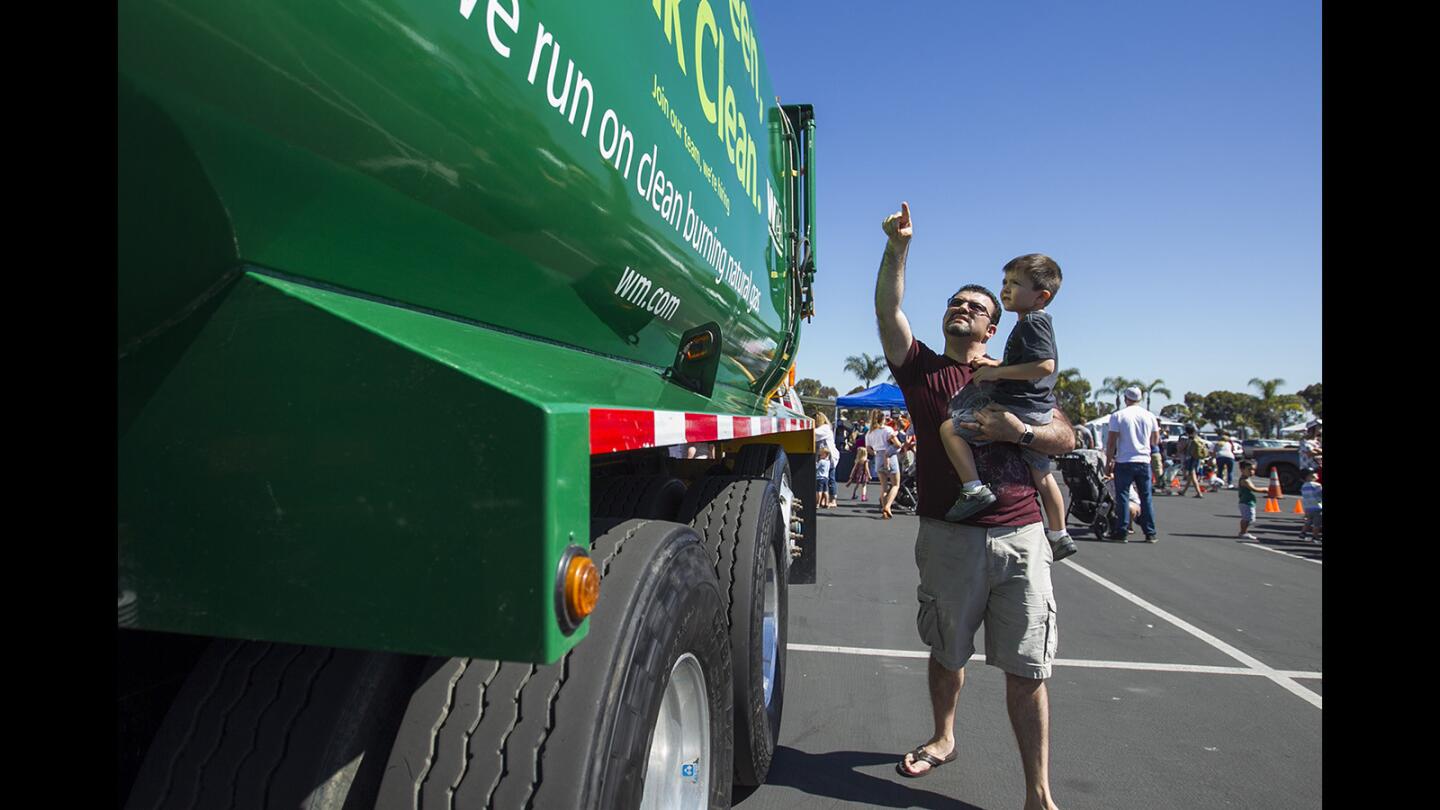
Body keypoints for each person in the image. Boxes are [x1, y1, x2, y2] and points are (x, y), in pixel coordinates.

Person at [877, 201, 1068, 809]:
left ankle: (1037, 793)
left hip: (1021, 537)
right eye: (956, 303)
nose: (963, 309)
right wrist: (898, 248)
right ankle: (943, 737)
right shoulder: (921, 370)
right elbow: (888, 308)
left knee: (1028, 669)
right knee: (946, 651)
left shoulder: (1015, 376)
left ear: (993, 327)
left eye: (978, 306)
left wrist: (1021, 432)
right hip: (948, 535)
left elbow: (1066, 436)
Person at [936, 254, 1076, 564]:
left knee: (950, 429)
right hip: (1037, 410)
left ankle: (973, 488)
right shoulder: (1034, 323)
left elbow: (1043, 365)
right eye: (1005, 282)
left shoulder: (1033, 322)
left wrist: (997, 373)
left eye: (1015, 284)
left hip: (1020, 407)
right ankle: (1059, 534)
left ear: (1042, 296)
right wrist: (997, 363)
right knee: (1043, 475)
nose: (1006, 289)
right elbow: (1028, 363)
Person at [1104, 387, 1160, 542]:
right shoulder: (1149, 416)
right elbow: (1155, 440)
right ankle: (1150, 532)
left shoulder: (1118, 416)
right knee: (1146, 497)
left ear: (1125, 398)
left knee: (1122, 496)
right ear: (1140, 399)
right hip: (1144, 461)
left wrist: (1108, 462)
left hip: (1124, 461)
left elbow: (1111, 443)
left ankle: (1121, 531)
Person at [865, 413, 903, 518]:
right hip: (889, 457)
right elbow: (897, 444)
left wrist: (876, 454)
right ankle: (888, 506)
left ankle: (884, 509)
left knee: (884, 487)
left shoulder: (869, 433)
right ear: (883, 419)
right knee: (895, 485)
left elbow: (868, 449)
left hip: (878, 457)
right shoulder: (887, 430)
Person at [1234, 459, 1268, 540]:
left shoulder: (1247, 478)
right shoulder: (1244, 480)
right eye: (1249, 469)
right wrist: (1265, 489)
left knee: (1248, 518)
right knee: (1248, 518)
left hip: (1248, 501)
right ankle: (1243, 532)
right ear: (1242, 470)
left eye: (1253, 470)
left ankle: (1243, 532)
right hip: (1246, 501)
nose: (1252, 472)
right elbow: (1254, 489)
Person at [1174, 425, 1209, 498]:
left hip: (1191, 458)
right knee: (1190, 476)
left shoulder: (1189, 439)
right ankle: (1184, 491)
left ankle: (1199, 493)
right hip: (1197, 458)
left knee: (1193, 476)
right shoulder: (1198, 438)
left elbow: (1182, 449)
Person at [814, 412, 838, 508]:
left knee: (830, 479)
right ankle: (824, 500)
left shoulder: (825, 428)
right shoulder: (824, 428)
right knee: (824, 480)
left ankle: (833, 500)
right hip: (824, 457)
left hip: (829, 458)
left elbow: (815, 434)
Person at [1298, 468, 1323, 541]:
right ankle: (1315, 537)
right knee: (1317, 524)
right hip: (1317, 507)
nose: (1317, 474)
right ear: (1309, 476)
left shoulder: (1303, 486)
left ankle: (1303, 533)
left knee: (1308, 521)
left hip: (1308, 507)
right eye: (1314, 473)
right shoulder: (1317, 485)